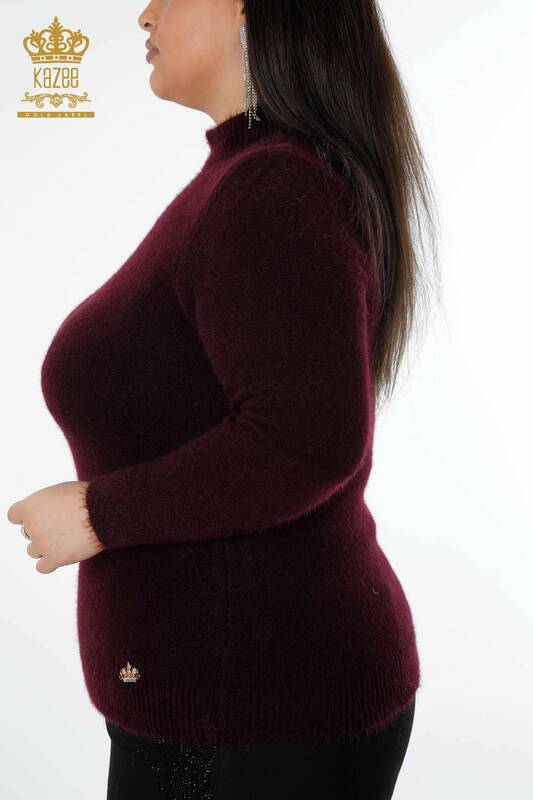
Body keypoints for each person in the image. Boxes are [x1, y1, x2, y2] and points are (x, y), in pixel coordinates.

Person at [8, 1, 439, 797]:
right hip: (231, 708)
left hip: (255, 717)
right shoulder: (248, 180)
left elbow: (303, 441)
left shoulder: (272, 187)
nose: (144, 14)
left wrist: (98, 515)